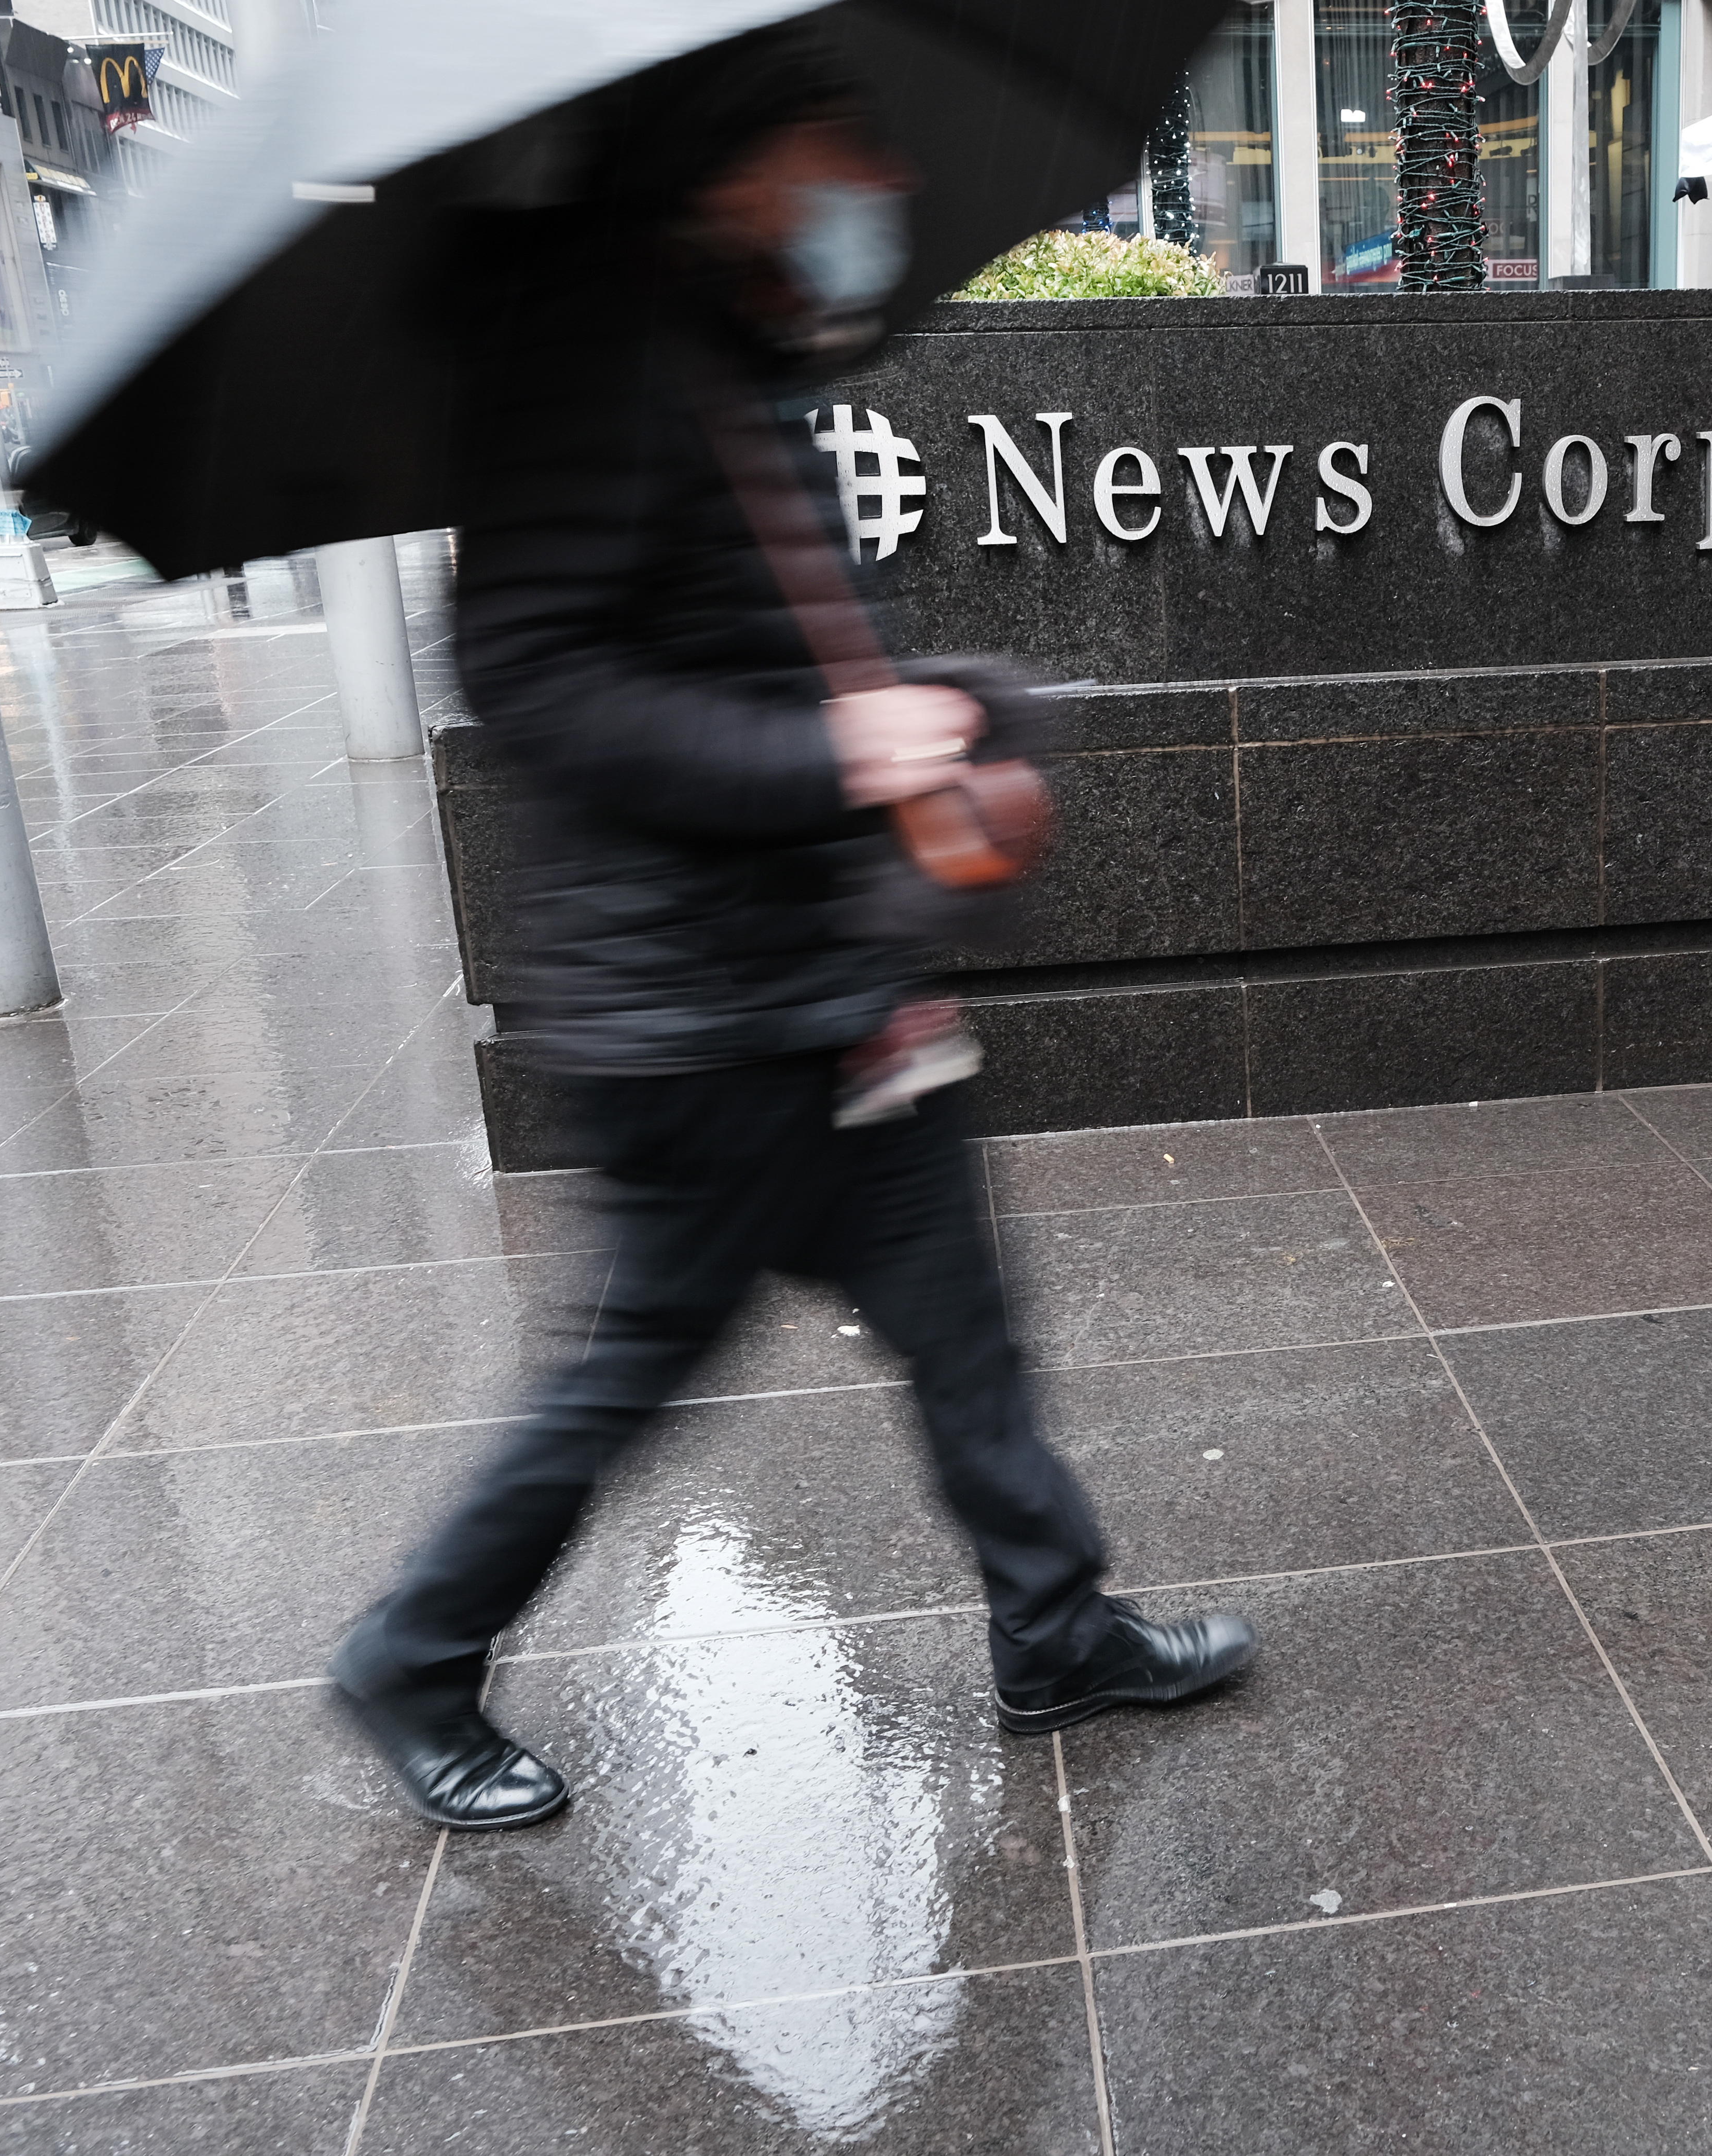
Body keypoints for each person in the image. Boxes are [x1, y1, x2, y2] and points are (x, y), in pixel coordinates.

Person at [329, 40, 1254, 1832]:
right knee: (624, 1379)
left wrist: (942, 709)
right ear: (727, 163)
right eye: (838, 147)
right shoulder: (591, 358)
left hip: (827, 984)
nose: (875, 185)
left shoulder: (724, 354)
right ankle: (414, 1655)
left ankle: (1053, 1629)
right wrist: (832, 748)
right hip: (694, 1016)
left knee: (966, 1328)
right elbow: (542, 686)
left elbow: (763, 640)